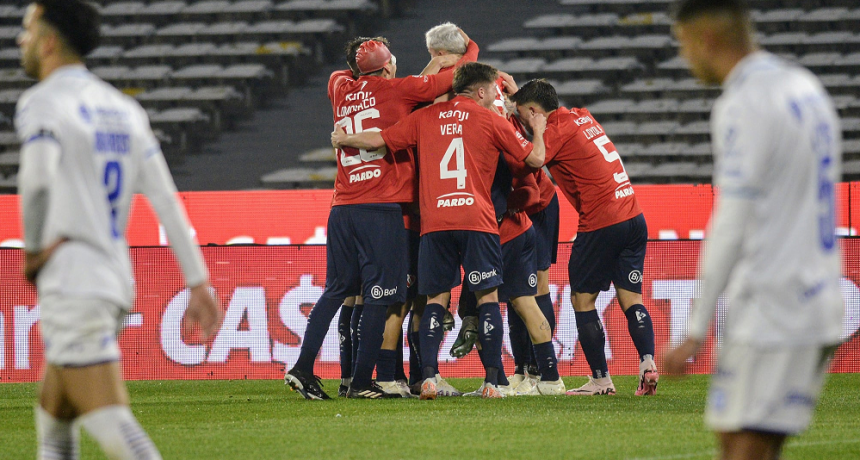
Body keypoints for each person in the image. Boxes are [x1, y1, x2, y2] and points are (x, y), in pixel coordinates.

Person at [15, 1, 222, 458]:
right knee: (54, 413)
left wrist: (32, 251)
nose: (20, 40)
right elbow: (167, 201)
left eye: (27, 30)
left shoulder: (43, 102)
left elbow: (35, 180)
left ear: (49, 41)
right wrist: (198, 282)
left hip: (72, 280)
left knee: (110, 420)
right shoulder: (123, 109)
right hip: (111, 278)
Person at [664, 1, 844, 459]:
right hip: (819, 298)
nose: (686, 60)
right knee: (752, 444)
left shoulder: (745, 103)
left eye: (683, 46)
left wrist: (695, 326)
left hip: (774, 305)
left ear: (704, 39)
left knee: (741, 448)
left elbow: (733, 219)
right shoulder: (805, 88)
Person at [333, 62, 546, 399]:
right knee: (487, 299)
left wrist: (344, 138)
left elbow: (379, 141)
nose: (496, 94)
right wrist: (539, 128)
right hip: (478, 221)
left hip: (434, 225)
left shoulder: (424, 118)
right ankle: (494, 381)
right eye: (493, 89)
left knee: (434, 299)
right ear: (480, 91)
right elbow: (533, 160)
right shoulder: (490, 119)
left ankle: (429, 378)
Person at [285, 38, 468, 400]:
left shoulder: (339, 86)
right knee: (380, 297)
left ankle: (303, 368)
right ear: (387, 68)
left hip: (342, 206)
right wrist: (464, 49)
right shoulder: (398, 90)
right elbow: (446, 81)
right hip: (381, 208)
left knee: (337, 290)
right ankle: (362, 382)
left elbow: (352, 75)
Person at [510, 79, 658, 396]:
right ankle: (647, 363)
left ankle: (601, 380)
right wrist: (516, 93)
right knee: (632, 298)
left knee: (582, 300)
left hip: (602, 221)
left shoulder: (553, 132)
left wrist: (534, 127)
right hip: (634, 216)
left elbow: (532, 158)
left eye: (524, 114)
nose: (521, 120)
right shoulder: (581, 116)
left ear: (535, 112)